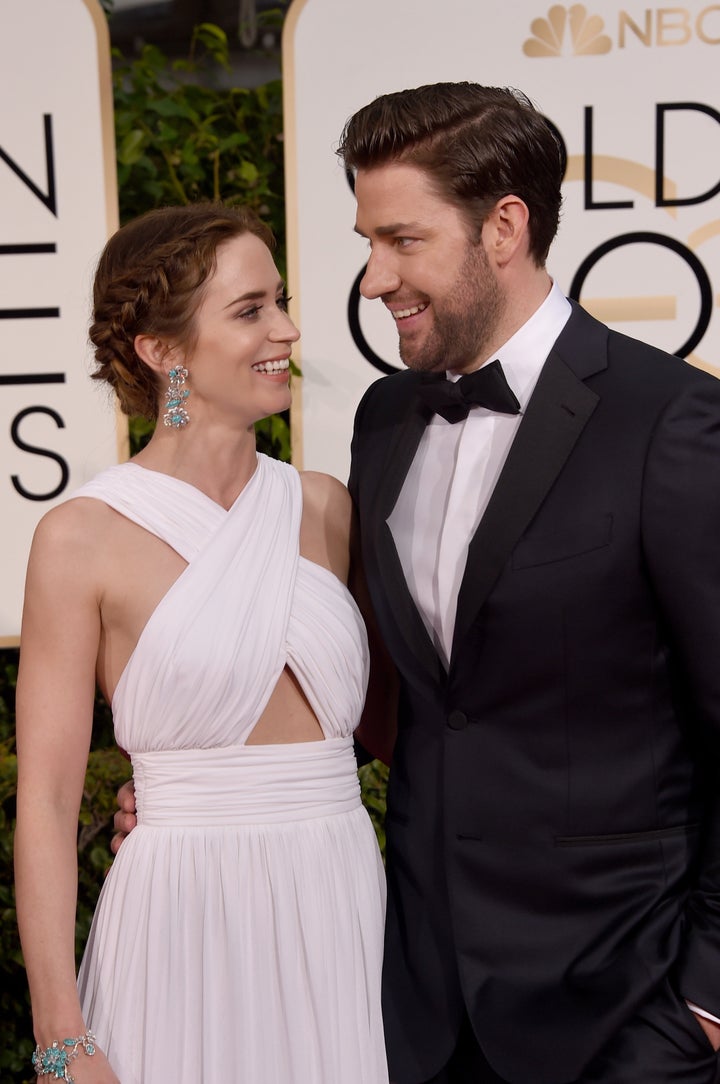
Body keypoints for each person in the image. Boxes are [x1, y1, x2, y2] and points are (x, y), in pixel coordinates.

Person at [336, 83, 720, 1083]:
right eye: (367, 241)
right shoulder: (381, 420)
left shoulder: (669, 422)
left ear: (504, 227)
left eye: (402, 239)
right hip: (424, 1017)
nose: (374, 278)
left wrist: (705, 998)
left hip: (626, 1015)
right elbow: (407, 701)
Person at [14, 202, 388, 1084]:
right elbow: (47, 802)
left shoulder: (327, 508)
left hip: (339, 901)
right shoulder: (81, 539)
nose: (288, 330)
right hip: (181, 916)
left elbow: (409, 726)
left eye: (282, 301)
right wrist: (60, 1035)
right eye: (251, 309)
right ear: (164, 351)